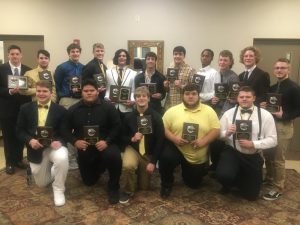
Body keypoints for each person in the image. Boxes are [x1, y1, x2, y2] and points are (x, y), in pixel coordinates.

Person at [62, 79, 122, 204]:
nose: (89, 93)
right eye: (86, 91)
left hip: (105, 144)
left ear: (97, 92)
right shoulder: (73, 109)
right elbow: (64, 129)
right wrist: (75, 142)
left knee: (114, 156)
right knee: (89, 182)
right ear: (81, 92)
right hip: (85, 146)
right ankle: (99, 168)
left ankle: (113, 187)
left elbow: (117, 126)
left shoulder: (108, 107)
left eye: (92, 90)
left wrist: (107, 141)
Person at [159, 84, 220, 198]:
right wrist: (174, 138)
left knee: (193, 184)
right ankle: (166, 183)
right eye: (187, 94)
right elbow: (163, 128)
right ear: (183, 96)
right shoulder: (173, 110)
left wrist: (204, 141)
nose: (190, 96)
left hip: (196, 153)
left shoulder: (209, 111)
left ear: (198, 96)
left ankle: (190, 171)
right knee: (166, 158)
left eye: (193, 94)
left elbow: (216, 130)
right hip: (176, 147)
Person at [217, 86, 277, 201]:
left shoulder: (265, 115)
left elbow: (273, 140)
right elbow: (218, 135)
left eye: (248, 97)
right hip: (233, 152)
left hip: (253, 155)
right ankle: (229, 182)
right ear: (237, 98)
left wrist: (254, 144)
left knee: (251, 195)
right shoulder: (228, 114)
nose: (244, 99)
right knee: (224, 175)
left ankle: (241, 179)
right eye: (241, 97)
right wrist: (227, 133)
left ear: (254, 98)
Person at [16, 81, 68, 206]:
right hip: (35, 148)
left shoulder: (61, 110)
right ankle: (54, 172)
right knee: (42, 183)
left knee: (62, 158)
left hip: (53, 147)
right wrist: (30, 140)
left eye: (45, 91)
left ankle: (59, 189)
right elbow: (19, 130)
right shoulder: (25, 108)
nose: (41, 94)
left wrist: (59, 142)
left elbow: (65, 132)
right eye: (39, 91)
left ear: (51, 92)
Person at [261, 58, 300, 200]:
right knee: (268, 155)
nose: (279, 70)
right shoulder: (272, 88)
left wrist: (285, 115)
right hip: (270, 125)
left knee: (278, 158)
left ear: (288, 70)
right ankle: (270, 178)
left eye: (283, 68)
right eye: (277, 68)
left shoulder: (294, 88)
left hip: (283, 126)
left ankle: (278, 187)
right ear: (274, 70)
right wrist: (265, 107)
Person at [119, 86, 165, 203]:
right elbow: (121, 137)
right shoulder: (128, 117)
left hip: (148, 153)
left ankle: (141, 170)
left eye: (144, 96)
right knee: (128, 166)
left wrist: (153, 162)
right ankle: (128, 191)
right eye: (138, 96)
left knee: (144, 187)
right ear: (135, 99)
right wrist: (132, 139)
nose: (141, 98)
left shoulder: (156, 117)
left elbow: (160, 140)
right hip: (133, 149)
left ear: (148, 98)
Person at [0, 45, 32, 174]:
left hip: (23, 111)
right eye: (12, 54)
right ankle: (9, 163)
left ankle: (19, 160)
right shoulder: (1, 69)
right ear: (8, 55)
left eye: (17, 54)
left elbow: (31, 89)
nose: (15, 56)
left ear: (21, 55)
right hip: (6, 110)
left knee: (20, 136)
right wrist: (9, 91)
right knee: (8, 137)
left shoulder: (27, 70)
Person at [54, 43, 84, 170]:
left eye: (77, 51)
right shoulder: (62, 67)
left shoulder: (84, 67)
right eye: (73, 51)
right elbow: (57, 85)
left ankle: (78, 155)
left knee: (79, 128)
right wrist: (64, 95)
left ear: (80, 53)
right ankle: (69, 158)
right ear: (69, 53)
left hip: (80, 100)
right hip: (66, 100)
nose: (75, 53)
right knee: (67, 129)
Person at [209, 50, 239, 171]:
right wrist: (213, 100)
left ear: (230, 62)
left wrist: (222, 115)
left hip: (225, 113)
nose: (222, 62)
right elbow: (213, 92)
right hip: (214, 110)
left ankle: (219, 166)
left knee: (220, 141)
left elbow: (233, 99)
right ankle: (214, 164)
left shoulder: (233, 77)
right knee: (213, 138)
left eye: (225, 60)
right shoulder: (215, 74)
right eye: (220, 59)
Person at [105, 49, 137, 120]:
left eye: (124, 56)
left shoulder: (133, 73)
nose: (121, 57)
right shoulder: (108, 72)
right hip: (112, 106)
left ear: (127, 58)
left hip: (127, 107)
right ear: (116, 58)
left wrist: (132, 101)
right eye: (119, 56)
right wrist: (107, 99)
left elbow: (133, 90)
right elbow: (107, 89)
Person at [163, 46, 195, 110]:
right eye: (175, 54)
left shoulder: (190, 70)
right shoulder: (168, 69)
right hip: (169, 104)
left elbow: (194, 89)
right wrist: (166, 86)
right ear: (173, 55)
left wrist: (181, 86)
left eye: (180, 54)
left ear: (184, 56)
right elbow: (167, 90)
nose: (177, 56)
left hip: (183, 104)